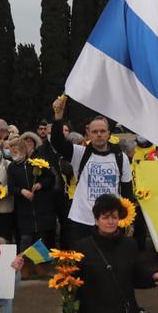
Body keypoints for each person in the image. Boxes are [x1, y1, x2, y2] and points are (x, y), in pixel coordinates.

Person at [50, 96, 132, 246]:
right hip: (82, 220)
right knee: (82, 263)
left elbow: (127, 192)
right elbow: (57, 142)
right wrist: (58, 117)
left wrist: (127, 221)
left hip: (110, 220)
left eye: (102, 131)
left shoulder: (121, 158)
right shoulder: (80, 153)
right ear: (88, 133)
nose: (99, 134)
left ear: (108, 133)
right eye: (95, 131)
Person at [9, 132, 59, 251]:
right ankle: (24, 267)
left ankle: (41, 268)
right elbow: (11, 187)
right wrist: (22, 191)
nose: (27, 144)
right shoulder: (13, 166)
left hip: (42, 210)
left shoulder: (38, 162)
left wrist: (40, 184)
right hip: (24, 212)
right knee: (25, 242)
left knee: (41, 244)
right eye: (25, 142)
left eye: (30, 142)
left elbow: (50, 178)